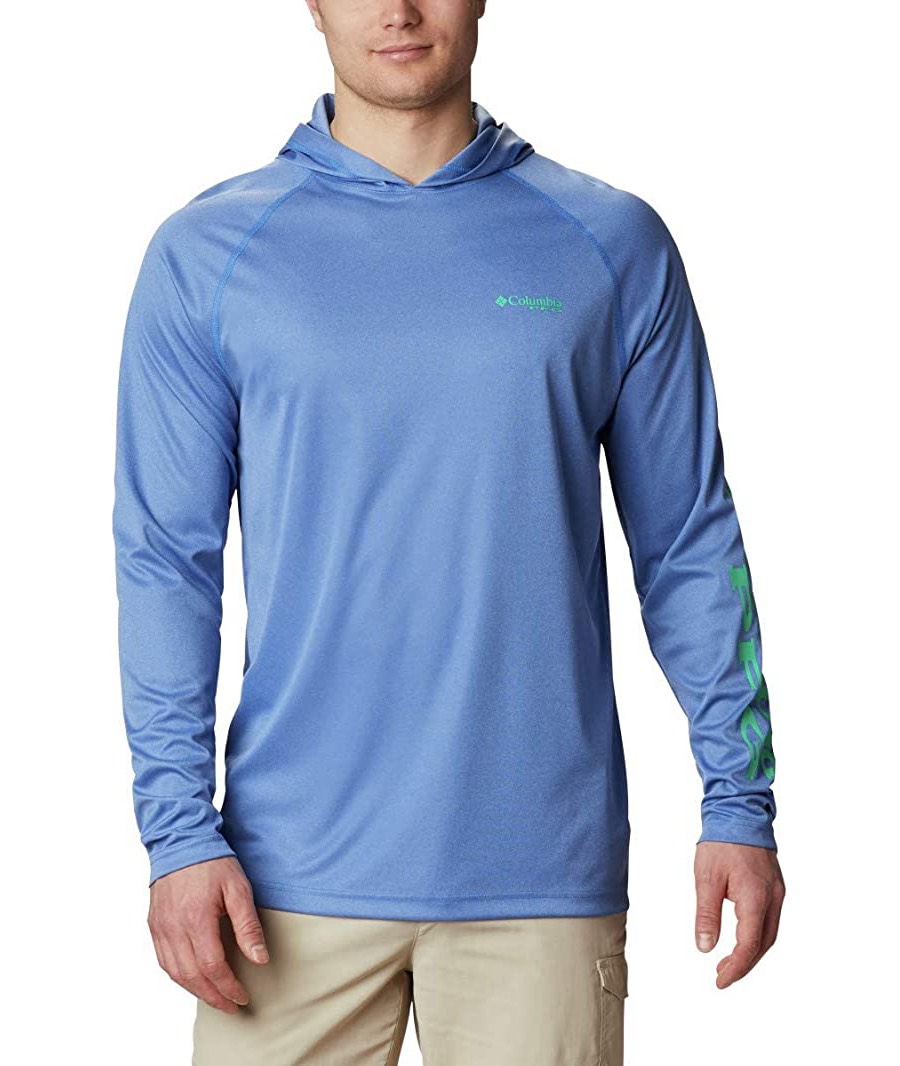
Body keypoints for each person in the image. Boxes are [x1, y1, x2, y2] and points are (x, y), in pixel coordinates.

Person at [112, 1, 785, 1062]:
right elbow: (165, 564)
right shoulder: (209, 253)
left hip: (541, 879)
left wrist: (738, 801)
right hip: (282, 882)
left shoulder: (610, 242)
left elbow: (690, 543)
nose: (398, 10)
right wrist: (177, 833)